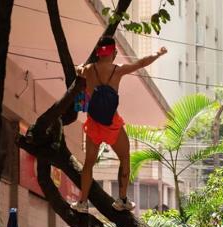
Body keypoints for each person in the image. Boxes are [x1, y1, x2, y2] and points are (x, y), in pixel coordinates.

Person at [71, 35, 167, 213]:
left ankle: (82, 202)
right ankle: (122, 199)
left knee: (88, 164)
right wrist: (158, 54)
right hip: (112, 124)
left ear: (98, 53)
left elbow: (78, 70)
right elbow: (142, 63)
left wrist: (79, 69)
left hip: (93, 124)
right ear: (113, 52)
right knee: (125, 157)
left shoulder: (88, 70)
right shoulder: (118, 70)